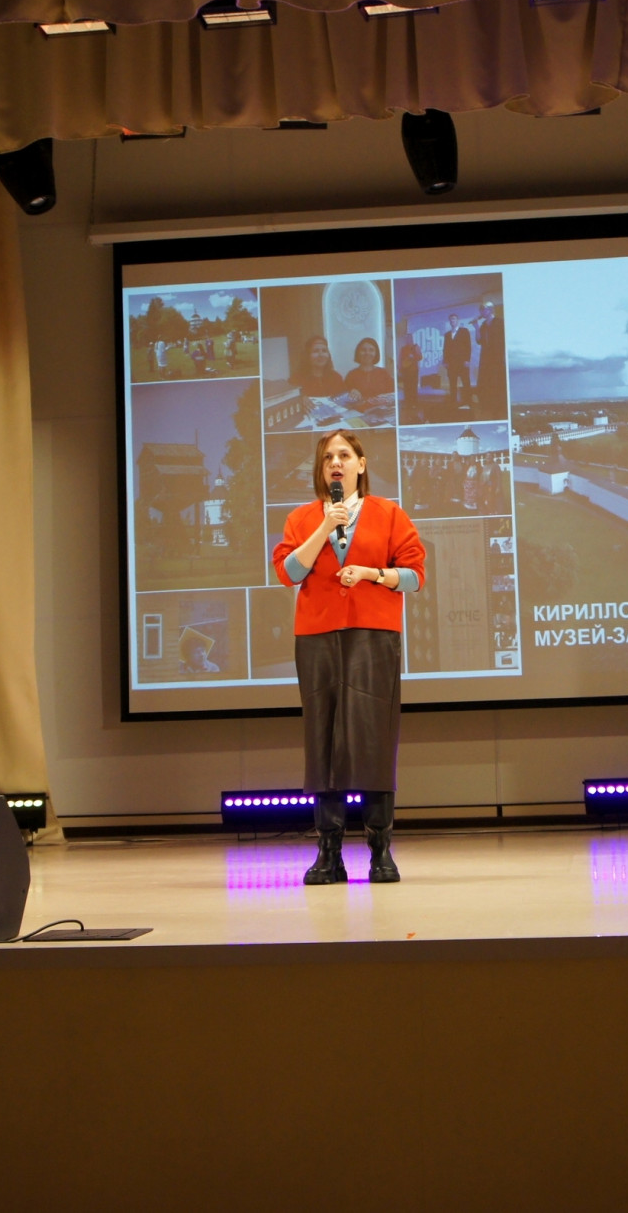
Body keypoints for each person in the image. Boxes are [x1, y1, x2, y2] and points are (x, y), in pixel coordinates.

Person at [271, 430, 426, 885]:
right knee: (323, 740)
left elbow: (415, 576)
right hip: (316, 637)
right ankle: (329, 852)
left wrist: (374, 574)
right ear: (321, 470)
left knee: (374, 738)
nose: (335, 463)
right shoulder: (302, 518)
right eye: (327, 458)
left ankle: (380, 850)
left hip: (373, 635)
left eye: (344, 455)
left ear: (361, 464)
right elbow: (287, 572)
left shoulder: (389, 513)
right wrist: (325, 526)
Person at [476, 299, 507, 414]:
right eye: (481, 310)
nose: (481, 313)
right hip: (486, 358)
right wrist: (476, 327)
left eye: (483, 310)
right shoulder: (483, 325)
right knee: (486, 381)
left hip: (497, 357)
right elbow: (479, 341)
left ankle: (499, 407)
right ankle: (488, 406)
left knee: (497, 381)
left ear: (489, 310)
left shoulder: (499, 322)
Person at [342, 337, 395, 404]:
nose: (367, 353)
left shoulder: (384, 373)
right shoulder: (351, 375)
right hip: (359, 410)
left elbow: (393, 395)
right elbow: (343, 398)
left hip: (382, 409)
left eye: (371, 350)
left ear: (376, 353)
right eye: (363, 350)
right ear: (358, 353)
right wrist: (351, 392)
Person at [442, 313, 474, 410]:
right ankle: (453, 403)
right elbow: (445, 349)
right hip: (451, 364)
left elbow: (468, 346)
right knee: (452, 384)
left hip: (462, 363)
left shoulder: (464, 331)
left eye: (454, 319)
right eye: (451, 319)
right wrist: (445, 361)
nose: (452, 321)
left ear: (457, 320)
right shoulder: (447, 335)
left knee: (466, 383)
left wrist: (467, 360)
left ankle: (468, 403)